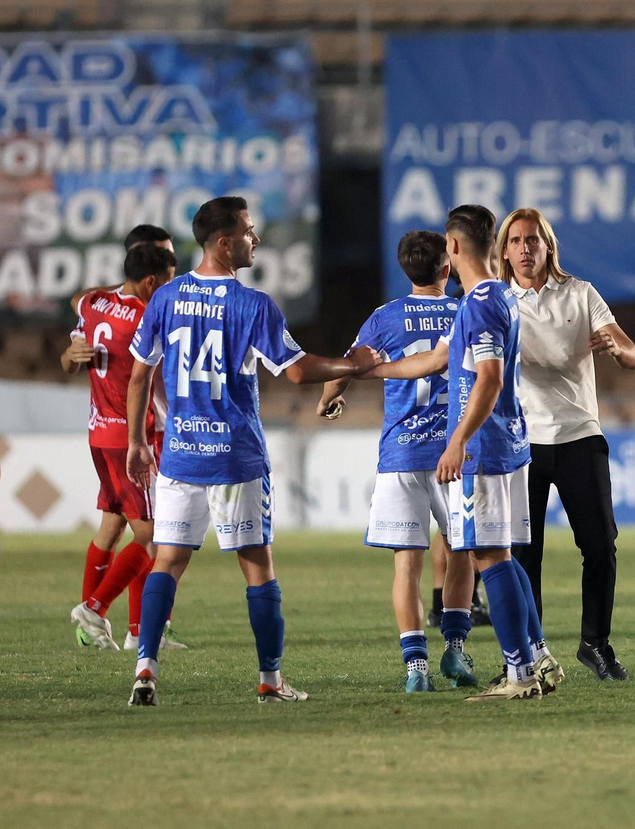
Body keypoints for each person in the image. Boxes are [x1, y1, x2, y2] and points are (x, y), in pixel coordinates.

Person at [121, 196, 381, 706]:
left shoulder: (167, 298)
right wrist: (353, 365)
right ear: (224, 242)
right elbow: (299, 371)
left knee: (167, 561)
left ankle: (145, 669)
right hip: (235, 456)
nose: (255, 238)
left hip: (181, 454)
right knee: (257, 566)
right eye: (248, 230)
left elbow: (138, 375)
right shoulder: (252, 305)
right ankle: (269, 680)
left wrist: (136, 440)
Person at [366, 204, 560, 701]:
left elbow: (489, 378)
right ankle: (537, 655)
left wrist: (457, 442)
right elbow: (437, 359)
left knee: (488, 556)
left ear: (453, 248)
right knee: (502, 554)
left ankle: (518, 674)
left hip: (484, 449)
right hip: (509, 444)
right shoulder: (496, 297)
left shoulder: (477, 303)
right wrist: (371, 372)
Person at [316, 230, 480, 692]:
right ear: (447, 269)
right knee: (462, 552)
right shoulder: (465, 311)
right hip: (456, 453)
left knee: (407, 565)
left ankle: (415, 669)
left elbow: (350, 364)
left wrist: (329, 399)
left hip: (401, 454)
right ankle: (455, 651)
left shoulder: (386, 317)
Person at [499, 208, 635, 681]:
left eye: (532, 240)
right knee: (524, 555)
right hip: (522, 443)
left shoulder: (580, 293)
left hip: (581, 435)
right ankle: (528, 652)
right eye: (515, 241)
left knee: (601, 545)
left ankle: (594, 642)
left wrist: (617, 349)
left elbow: (631, 353)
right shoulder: (497, 302)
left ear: (548, 246)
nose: (524, 249)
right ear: (503, 250)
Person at [65, 244, 183, 652]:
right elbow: (139, 381)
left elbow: (77, 299)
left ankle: (137, 631)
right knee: (151, 534)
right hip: (132, 435)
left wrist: (70, 353)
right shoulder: (144, 317)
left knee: (116, 524)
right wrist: (140, 441)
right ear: (151, 281)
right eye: (167, 280)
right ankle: (94, 609)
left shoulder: (95, 303)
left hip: (99, 430)